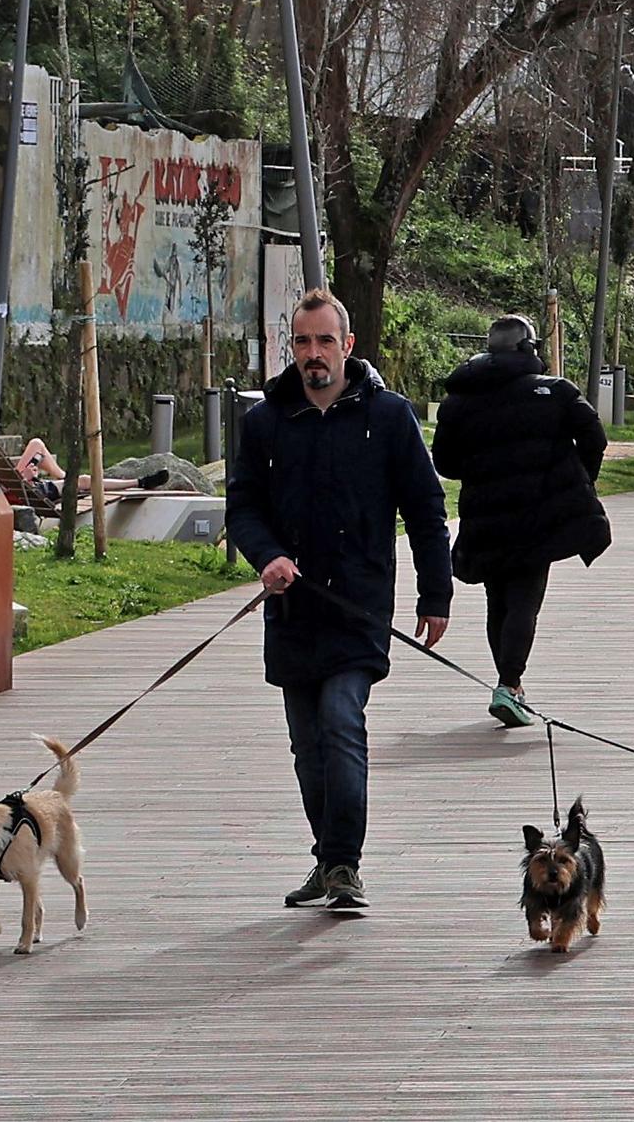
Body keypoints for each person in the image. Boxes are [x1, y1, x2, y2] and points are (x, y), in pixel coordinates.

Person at [226, 288, 451, 911]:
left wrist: (437, 593)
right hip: (293, 611)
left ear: (348, 346)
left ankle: (345, 864)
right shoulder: (265, 421)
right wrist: (266, 555)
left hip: (358, 607)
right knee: (307, 746)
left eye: (326, 340)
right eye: (303, 341)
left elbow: (427, 511)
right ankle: (327, 858)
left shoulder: (390, 416)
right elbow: (242, 506)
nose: (314, 353)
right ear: (290, 348)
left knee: (340, 722)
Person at [432, 315, 610, 728]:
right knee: (525, 600)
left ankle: (509, 686)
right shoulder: (556, 394)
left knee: (499, 600)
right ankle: (509, 685)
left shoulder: (460, 400)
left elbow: (445, 462)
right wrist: (577, 480)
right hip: (538, 516)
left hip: (485, 517)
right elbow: (594, 438)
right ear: (529, 349)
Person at [0, 404, 161, 499]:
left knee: (43, 451)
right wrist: (23, 477)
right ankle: (139, 482)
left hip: (22, 486)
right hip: (22, 492)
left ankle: (140, 482)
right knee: (77, 478)